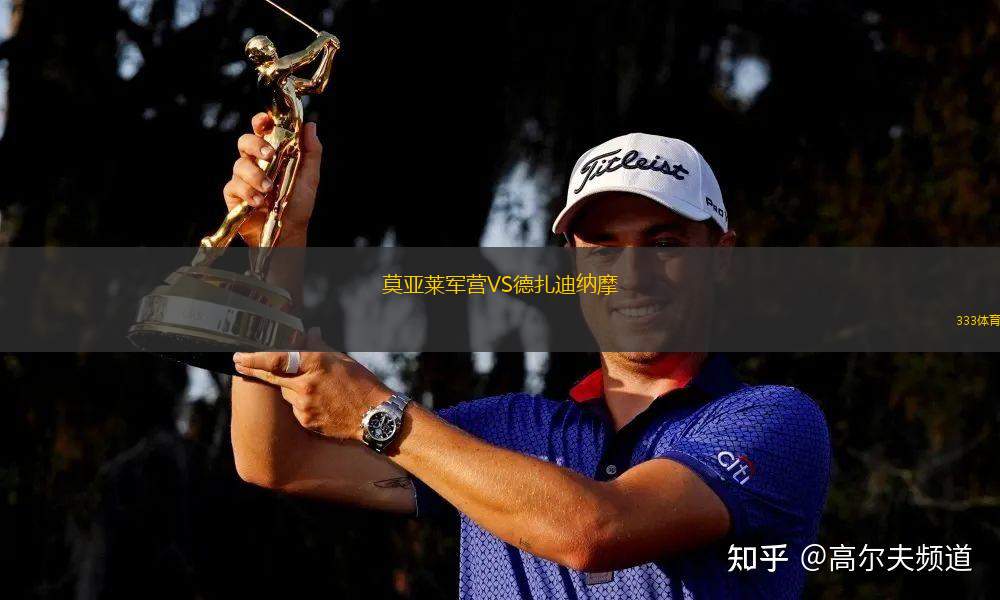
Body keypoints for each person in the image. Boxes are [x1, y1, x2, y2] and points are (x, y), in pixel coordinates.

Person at [224, 122, 831, 599]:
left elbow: (594, 530)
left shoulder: (773, 421)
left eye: (665, 243)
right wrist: (274, 247)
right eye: (603, 247)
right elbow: (277, 462)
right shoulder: (502, 428)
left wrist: (378, 413)